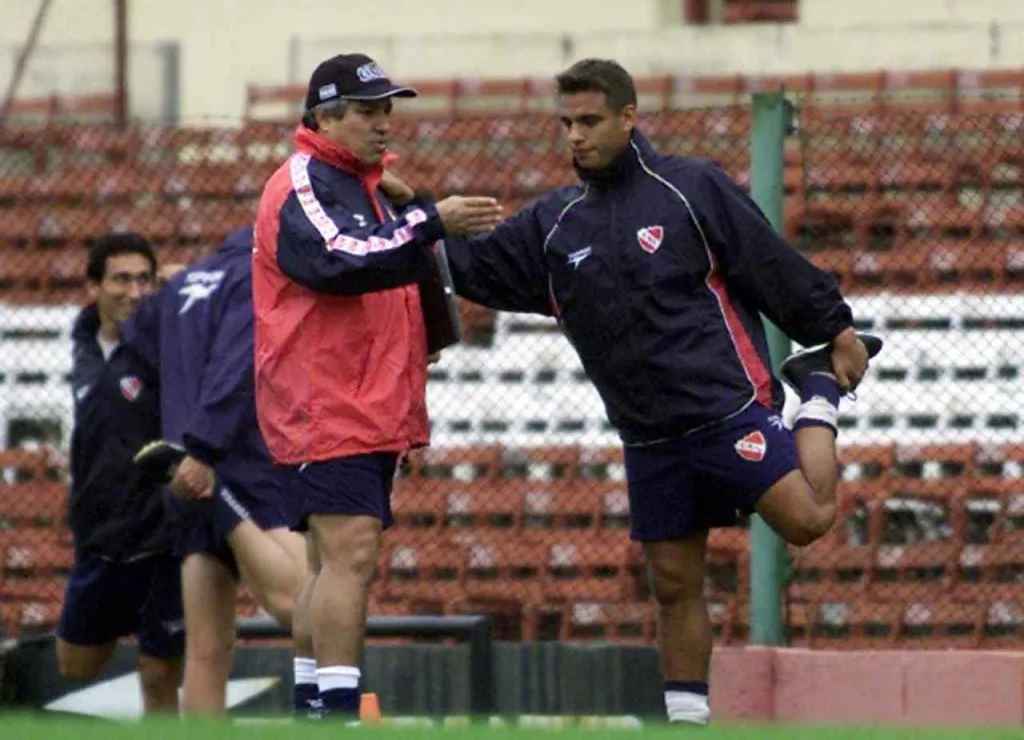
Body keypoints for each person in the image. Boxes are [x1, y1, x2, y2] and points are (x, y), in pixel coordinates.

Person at [386, 58, 882, 727]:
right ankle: (686, 721)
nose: (576, 137)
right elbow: (474, 271)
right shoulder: (554, 224)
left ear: (628, 117)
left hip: (724, 411)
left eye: (589, 121)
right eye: (566, 124)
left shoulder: (690, 187)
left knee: (808, 519)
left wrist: (834, 331)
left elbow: (769, 263)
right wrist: (416, 216)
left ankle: (815, 387)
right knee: (674, 586)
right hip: (648, 436)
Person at [251, 53, 503, 721]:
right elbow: (339, 260)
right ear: (323, 117)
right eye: (367, 110)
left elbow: (393, 262)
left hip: (358, 401)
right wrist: (429, 220)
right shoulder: (302, 180)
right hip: (325, 401)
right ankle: (334, 713)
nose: (383, 122)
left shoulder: (362, 184)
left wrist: (413, 209)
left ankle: (314, 709)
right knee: (349, 554)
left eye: (388, 108)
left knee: (330, 559)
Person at [123, 226, 309, 716]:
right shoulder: (255, 277)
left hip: (182, 465)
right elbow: (238, 364)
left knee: (207, 651)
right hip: (240, 460)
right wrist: (207, 449)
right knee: (305, 607)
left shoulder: (186, 284)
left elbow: (136, 346)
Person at [57, 233, 183, 714]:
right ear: (94, 286)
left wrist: (179, 284)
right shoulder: (82, 342)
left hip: (162, 538)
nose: (134, 291)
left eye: (144, 279)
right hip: (100, 538)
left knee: (158, 677)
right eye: (122, 279)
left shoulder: (164, 341)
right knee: (74, 664)